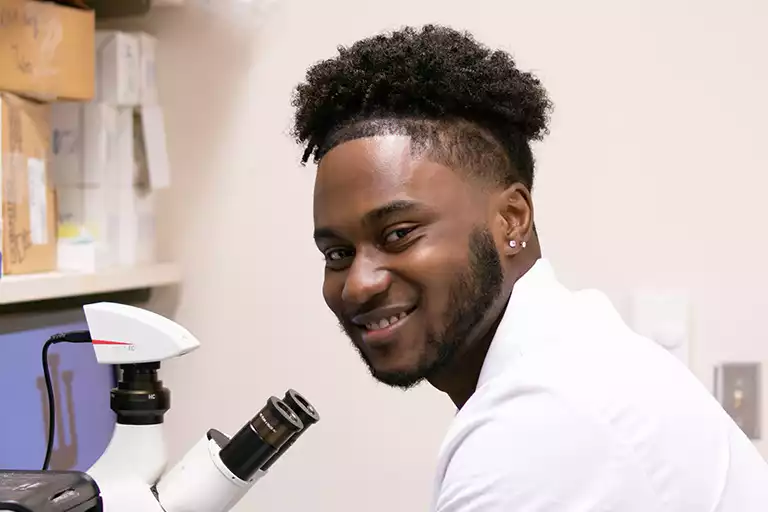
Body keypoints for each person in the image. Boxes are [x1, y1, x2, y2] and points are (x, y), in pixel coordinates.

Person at [289, 24, 768, 511]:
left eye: (398, 234)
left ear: (511, 219)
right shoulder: (574, 354)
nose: (357, 285)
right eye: (337, 254)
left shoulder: (545, 421)